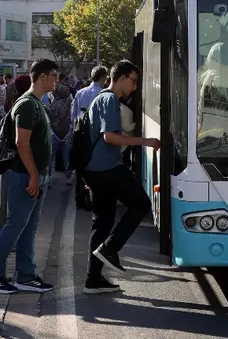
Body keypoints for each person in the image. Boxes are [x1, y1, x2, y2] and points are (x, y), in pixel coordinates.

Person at [83, 60, 159, 294]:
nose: (134, 87)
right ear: (123, 77)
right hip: (106, 168)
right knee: (141, 203)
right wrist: (145, 141)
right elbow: (110, 137)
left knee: (103, 222)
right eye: (134, 81)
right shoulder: (108, 100)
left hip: (95, 170)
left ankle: (93, 279)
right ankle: (110, 249)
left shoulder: (102, 99)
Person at [0, 59, 58, 295]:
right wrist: (32, 175)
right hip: (23, 175)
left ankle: (26, 275)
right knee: (16, 225)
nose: (56, 80)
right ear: (41, 77)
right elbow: (22, 142)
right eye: (53, 75)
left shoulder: (37, 103)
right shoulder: (27, 105)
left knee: (28, 228)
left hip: (34, 175)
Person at [69, 66, 108, 209]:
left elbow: (73, 116)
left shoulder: (80, 93)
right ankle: (92, 200)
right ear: (103, 77)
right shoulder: (104, 94)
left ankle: (80, 199)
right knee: (96, 169)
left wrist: (72, 134)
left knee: (81, 170)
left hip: (80, 136)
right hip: (97, 137)